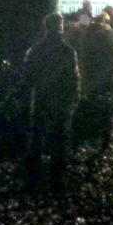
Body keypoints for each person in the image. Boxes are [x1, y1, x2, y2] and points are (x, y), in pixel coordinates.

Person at [23, 13, 81, 192]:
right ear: (60, 27)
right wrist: (74, 96)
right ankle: (57, 179)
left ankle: (32, 178)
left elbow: (28, 75)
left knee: (37, 136)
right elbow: (73, 77)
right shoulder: (67, 50)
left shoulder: (36, 49)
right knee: (60, 138)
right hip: (61, 99)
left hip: (41, 97)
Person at [73, 16, 113, 152]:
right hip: (104, 83)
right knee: (105, 110)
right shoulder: (109, 45)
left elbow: (83, 64)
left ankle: (83, 138)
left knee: (87, 107)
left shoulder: (86, 44)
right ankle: (102, 139)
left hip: (90, 82)